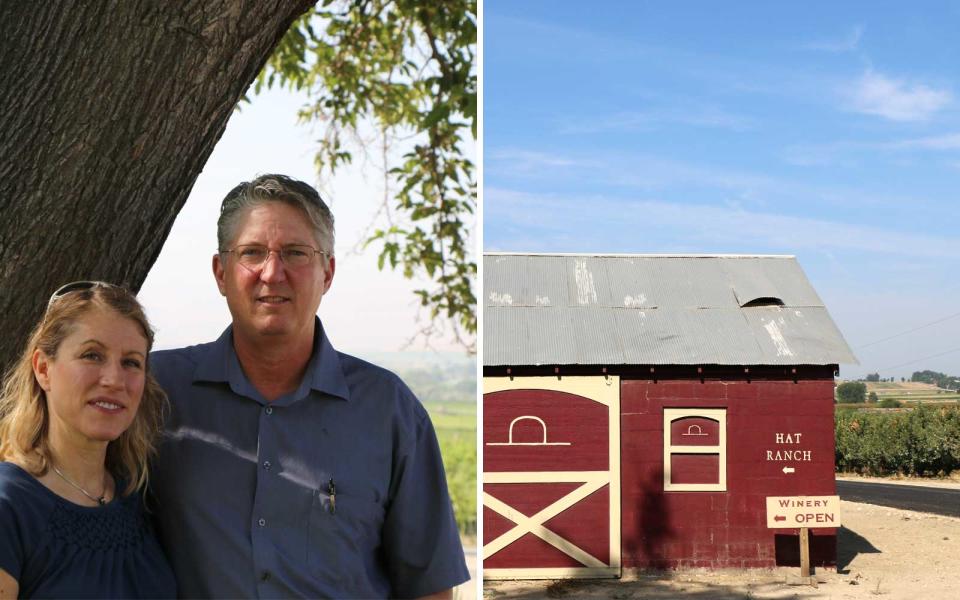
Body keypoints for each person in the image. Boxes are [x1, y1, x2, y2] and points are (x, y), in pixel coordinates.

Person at [149, 174, 469, 599]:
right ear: (221, 273)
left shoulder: (389, 409)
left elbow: (429, 587)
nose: (272, 272)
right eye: (252, 253)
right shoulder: (156, 392)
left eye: (295, 253)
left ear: (327, 272)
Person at [0, 281, 176, 599]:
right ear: (43, 368)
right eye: (92, 355)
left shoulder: (137, 493)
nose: (113, 380)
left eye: (131, 362)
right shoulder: (9, 506)